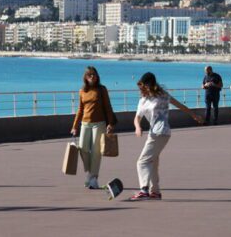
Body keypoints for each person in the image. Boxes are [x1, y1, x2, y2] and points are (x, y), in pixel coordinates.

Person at [131, 72, 204, 201]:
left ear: (152, 84)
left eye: (146, 85)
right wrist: (138, 127)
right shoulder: (143, 101)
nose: (144, 88)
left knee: (142, 162)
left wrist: (194, 115)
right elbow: (137, 118)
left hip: (161, 132)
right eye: (142, 86)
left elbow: (180, 105)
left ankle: (144, 190)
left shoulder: (163, 95)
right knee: (152, 162)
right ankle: (155, 192)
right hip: (153, 133)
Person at [71, 67, 117, 189]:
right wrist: (75, 126)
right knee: (83, 149)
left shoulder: (102, 90)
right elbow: (80, 110)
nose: (92, 77)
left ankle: (93, 178)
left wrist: (110, 123)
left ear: (97, 76)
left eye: (94, 75)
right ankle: (90, 174)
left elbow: (108, 107)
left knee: (96, 152)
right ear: (85, 77)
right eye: (90, 75)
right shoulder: (82, 91)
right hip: (85, 123)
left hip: (99, 123)